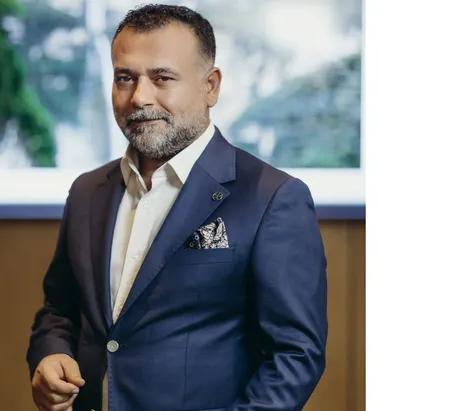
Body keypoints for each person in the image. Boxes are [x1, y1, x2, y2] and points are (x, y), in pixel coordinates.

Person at [25, 4, 328, 411]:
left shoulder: (273, 197)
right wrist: (50, 355)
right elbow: (59, 311)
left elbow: (295, 355)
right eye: (125, 78)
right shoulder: (87, 191)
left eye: (162, 78)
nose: (139, 97)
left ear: (211, 86)